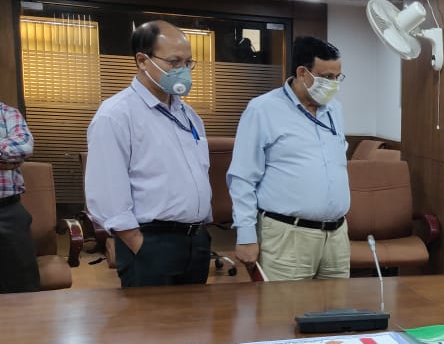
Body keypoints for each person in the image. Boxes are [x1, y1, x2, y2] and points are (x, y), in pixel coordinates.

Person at [86, 20, 212, 287]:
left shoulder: (188, 115)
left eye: (188, 63)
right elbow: (107, 191)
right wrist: (137, 242)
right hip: (151, 242)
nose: (183, 71)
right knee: (150, 316)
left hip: (196, 241)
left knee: (196, 314)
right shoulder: (116, 115)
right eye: (174, 62)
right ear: (143, 61)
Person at [228, 37, 350, 281]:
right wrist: (246, 235)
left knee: (337, 305)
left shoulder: (334, 110)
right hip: (287, 235)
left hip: (336, 236)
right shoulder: (262, 109)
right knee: (284, 305)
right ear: (302, 73)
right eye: (327, 77)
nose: (333, 84)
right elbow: (242, 178)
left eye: (338, 77)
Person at [0, 102, 39, 293]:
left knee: (24, 288)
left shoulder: (7, 113)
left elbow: (24, 145)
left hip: (7, 212)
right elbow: (13, 150)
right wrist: (5, 157)